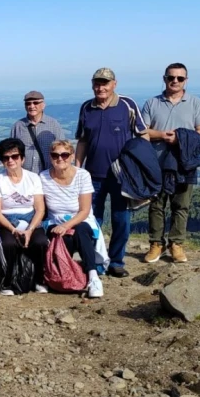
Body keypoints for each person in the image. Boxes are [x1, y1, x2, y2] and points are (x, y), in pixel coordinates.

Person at [74, 67, 147, 278]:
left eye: (105, 83)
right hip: (92, 175)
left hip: (121, 175)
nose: (101, 87)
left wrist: (139, 166)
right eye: (97, 83)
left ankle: (116, 262)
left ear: (114, 84)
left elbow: (141, 135)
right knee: (91, 220)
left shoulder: (127, 105)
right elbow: (83, 140)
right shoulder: (86, 108)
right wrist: (78, 169)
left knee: (120, 219)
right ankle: (94, 262)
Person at [141, 63, 200, 264]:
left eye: (180, 78)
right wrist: (163, 135)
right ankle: (156, 243)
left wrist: (180, 139)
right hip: (156, 163)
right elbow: (142, 131)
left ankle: (176, 244)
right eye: (171, 77)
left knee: (181, 205)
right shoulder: (151, 103)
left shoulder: (196, 103)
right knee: (156, 205)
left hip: (184, 162)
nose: (175, 81)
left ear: (186, 81)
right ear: (164, 79)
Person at [41, 140, 103, 299]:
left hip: (81, 221)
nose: (60, 158)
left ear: (71, 156)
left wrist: (66, 225)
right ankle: (63, 273)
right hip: (55, 222)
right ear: (50, 157)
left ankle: (93, 276)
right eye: (55, 155)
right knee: (65, 238)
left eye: (64, 155)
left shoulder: (82, 175)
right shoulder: (43, 177)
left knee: (80, 230)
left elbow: (84, 210)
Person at [0, 138, 49, 295]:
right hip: (6, 220)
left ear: (22, 158)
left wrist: (30, 230)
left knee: (40, 242)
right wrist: (12, 229)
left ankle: (39, 279)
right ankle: (7, 281)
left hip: (31, 219)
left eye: (14, 156)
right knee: (7, 244)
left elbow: (40, 209)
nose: (10, 161)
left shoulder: (33, 178)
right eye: (5, 157)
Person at [10, 91, 66, 174]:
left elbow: (63, 149)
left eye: (35, 103)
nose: (31, 106)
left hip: (49, 175)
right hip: (24, 176)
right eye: (28, 103)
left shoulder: (54, 125)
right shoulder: (18, 126)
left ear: (43, 105)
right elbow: (10, 152)